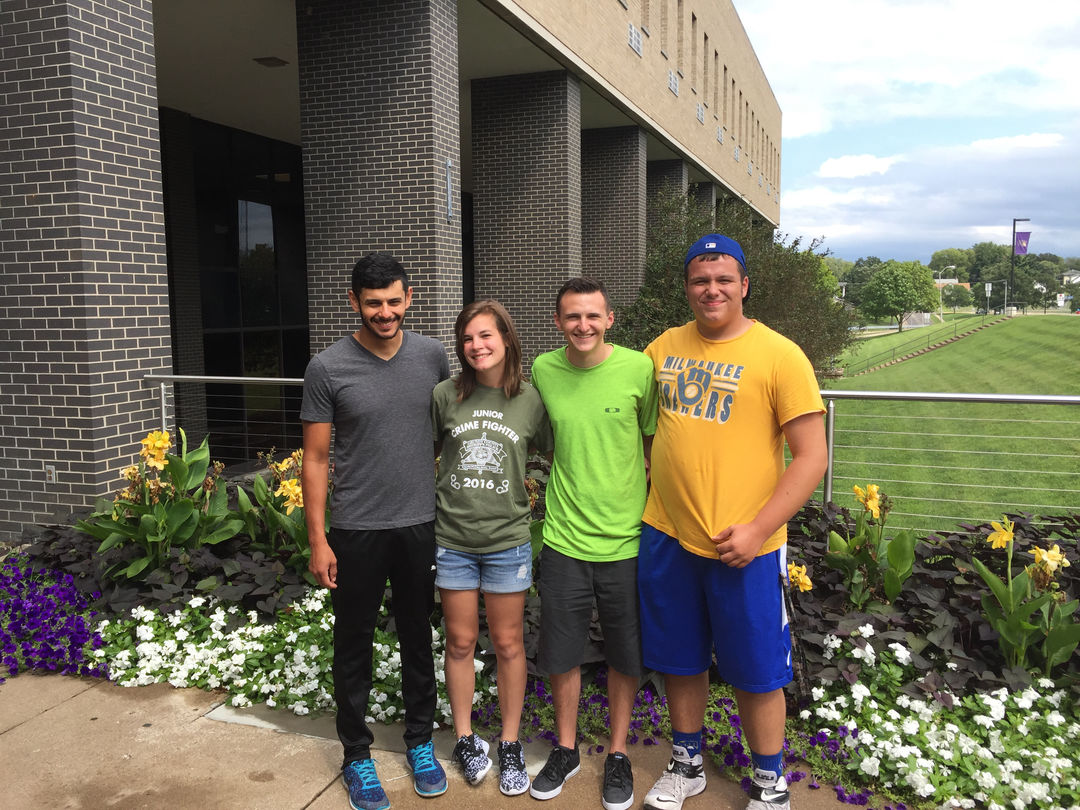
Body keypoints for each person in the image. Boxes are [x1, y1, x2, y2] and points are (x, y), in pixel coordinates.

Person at [638, 234, 827, 810]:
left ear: (744, 285)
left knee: (757, 669)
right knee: (680, 659)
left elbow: (812, 456)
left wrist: (758, 529)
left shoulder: (780, 355)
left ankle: (770, 785)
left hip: (747, 545)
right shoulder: (662, 348)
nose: (712, 290)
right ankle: (687, 763)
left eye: (724, 279)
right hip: (669, 534)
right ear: (687, 288)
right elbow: (645, 430)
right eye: (701, 280)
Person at [300, 252, 450, 810]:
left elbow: (446, 433)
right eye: (372, 304)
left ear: (409, 297)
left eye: (393, 301)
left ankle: (420, 742)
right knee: (353, 644)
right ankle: (356, 755)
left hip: (420, 524)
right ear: (353, 302)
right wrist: (319, 540)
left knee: (418, 636)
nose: (384, 313)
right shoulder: (327, 368)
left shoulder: (433, 357)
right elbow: (315, 459)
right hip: (356, 528)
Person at [528, 278, 658, 810]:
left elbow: (651, 443)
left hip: (627, 541)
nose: (583, 326)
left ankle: (619, 752)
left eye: (592, 316)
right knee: (562, 654)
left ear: (609, 320)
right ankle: (566, 749)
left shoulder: (638, 369)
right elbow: (548, 439)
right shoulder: (544, 369)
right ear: (558, 322)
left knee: (626, 655)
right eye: (572, 317)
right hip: (564, 537)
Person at [432, 300, 552, 797]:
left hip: (507, 541)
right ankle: (465, 738)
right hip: (453, 540)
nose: (476, 346)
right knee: (460, 643)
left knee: (508, 644)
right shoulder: (445, 395)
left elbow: (551, 453)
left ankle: (508, 742)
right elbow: (426, 454)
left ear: (506, 338)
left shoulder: (530, 400)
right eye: (467, 338)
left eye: (485, 335)